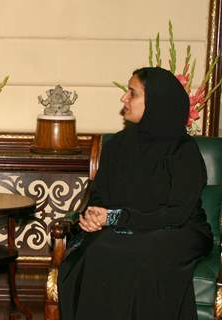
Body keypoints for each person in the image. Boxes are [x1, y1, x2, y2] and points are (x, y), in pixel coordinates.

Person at [57, 67, 213, 320]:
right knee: (97, 251)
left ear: (156, 101)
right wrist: (93, 216)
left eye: (132, 93)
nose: (123, 99)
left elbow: (177, 213)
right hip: (125, 228)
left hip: (179, 230)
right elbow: (100, 196)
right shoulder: (117, 146)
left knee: (138, 254)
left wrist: (116, 218)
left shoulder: (183, 151)